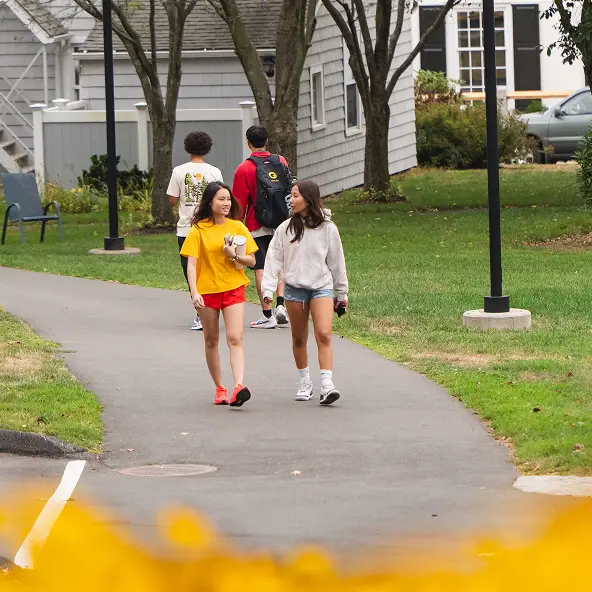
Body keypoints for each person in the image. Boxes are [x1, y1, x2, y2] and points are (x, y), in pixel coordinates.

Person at [261, 180, 348, 406]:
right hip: (294, 289)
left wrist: (342, 293)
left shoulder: (328, 228)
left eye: (296, 195)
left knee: (324, 333)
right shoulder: (285, 228)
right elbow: (273, 260)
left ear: (309, 199)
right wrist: (268, 289)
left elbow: (337, 262)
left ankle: (327, 385)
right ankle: (305, 382)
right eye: (290, 195)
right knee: (299, 338)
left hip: (322, 286)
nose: (292, 199)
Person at [180, 182, 258, 407]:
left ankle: (239, 387)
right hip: (207, 292)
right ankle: (220, 388)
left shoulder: (237, 227)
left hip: (233, 288)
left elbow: (252, 261)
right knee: (211, 340)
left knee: (235, 338)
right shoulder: (199, 230)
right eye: (221, 199)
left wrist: (234, 255)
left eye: (228, 199)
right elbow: (191, 264)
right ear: (210, 202)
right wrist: (194, 292)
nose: (226, 203)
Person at [233, 125, 291, 330]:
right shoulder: (281, 161)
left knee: (261, 266)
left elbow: (239, 204)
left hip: (256, 223)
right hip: (282, 221)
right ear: (267, 140)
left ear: (248, 142)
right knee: (279, 263)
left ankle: (268, 314)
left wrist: (237, 225)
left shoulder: (244, 168)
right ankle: (281, 304)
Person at [167, 131, 223, 331]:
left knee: (190, 270)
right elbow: (221, 196)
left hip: (186, 228)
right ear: (208, 148)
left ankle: (201, 312)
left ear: (187, 148)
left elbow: (172, 199)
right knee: (209, 268)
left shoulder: (179, 171)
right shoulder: (214, 171)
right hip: (210, 227)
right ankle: (208, 310)